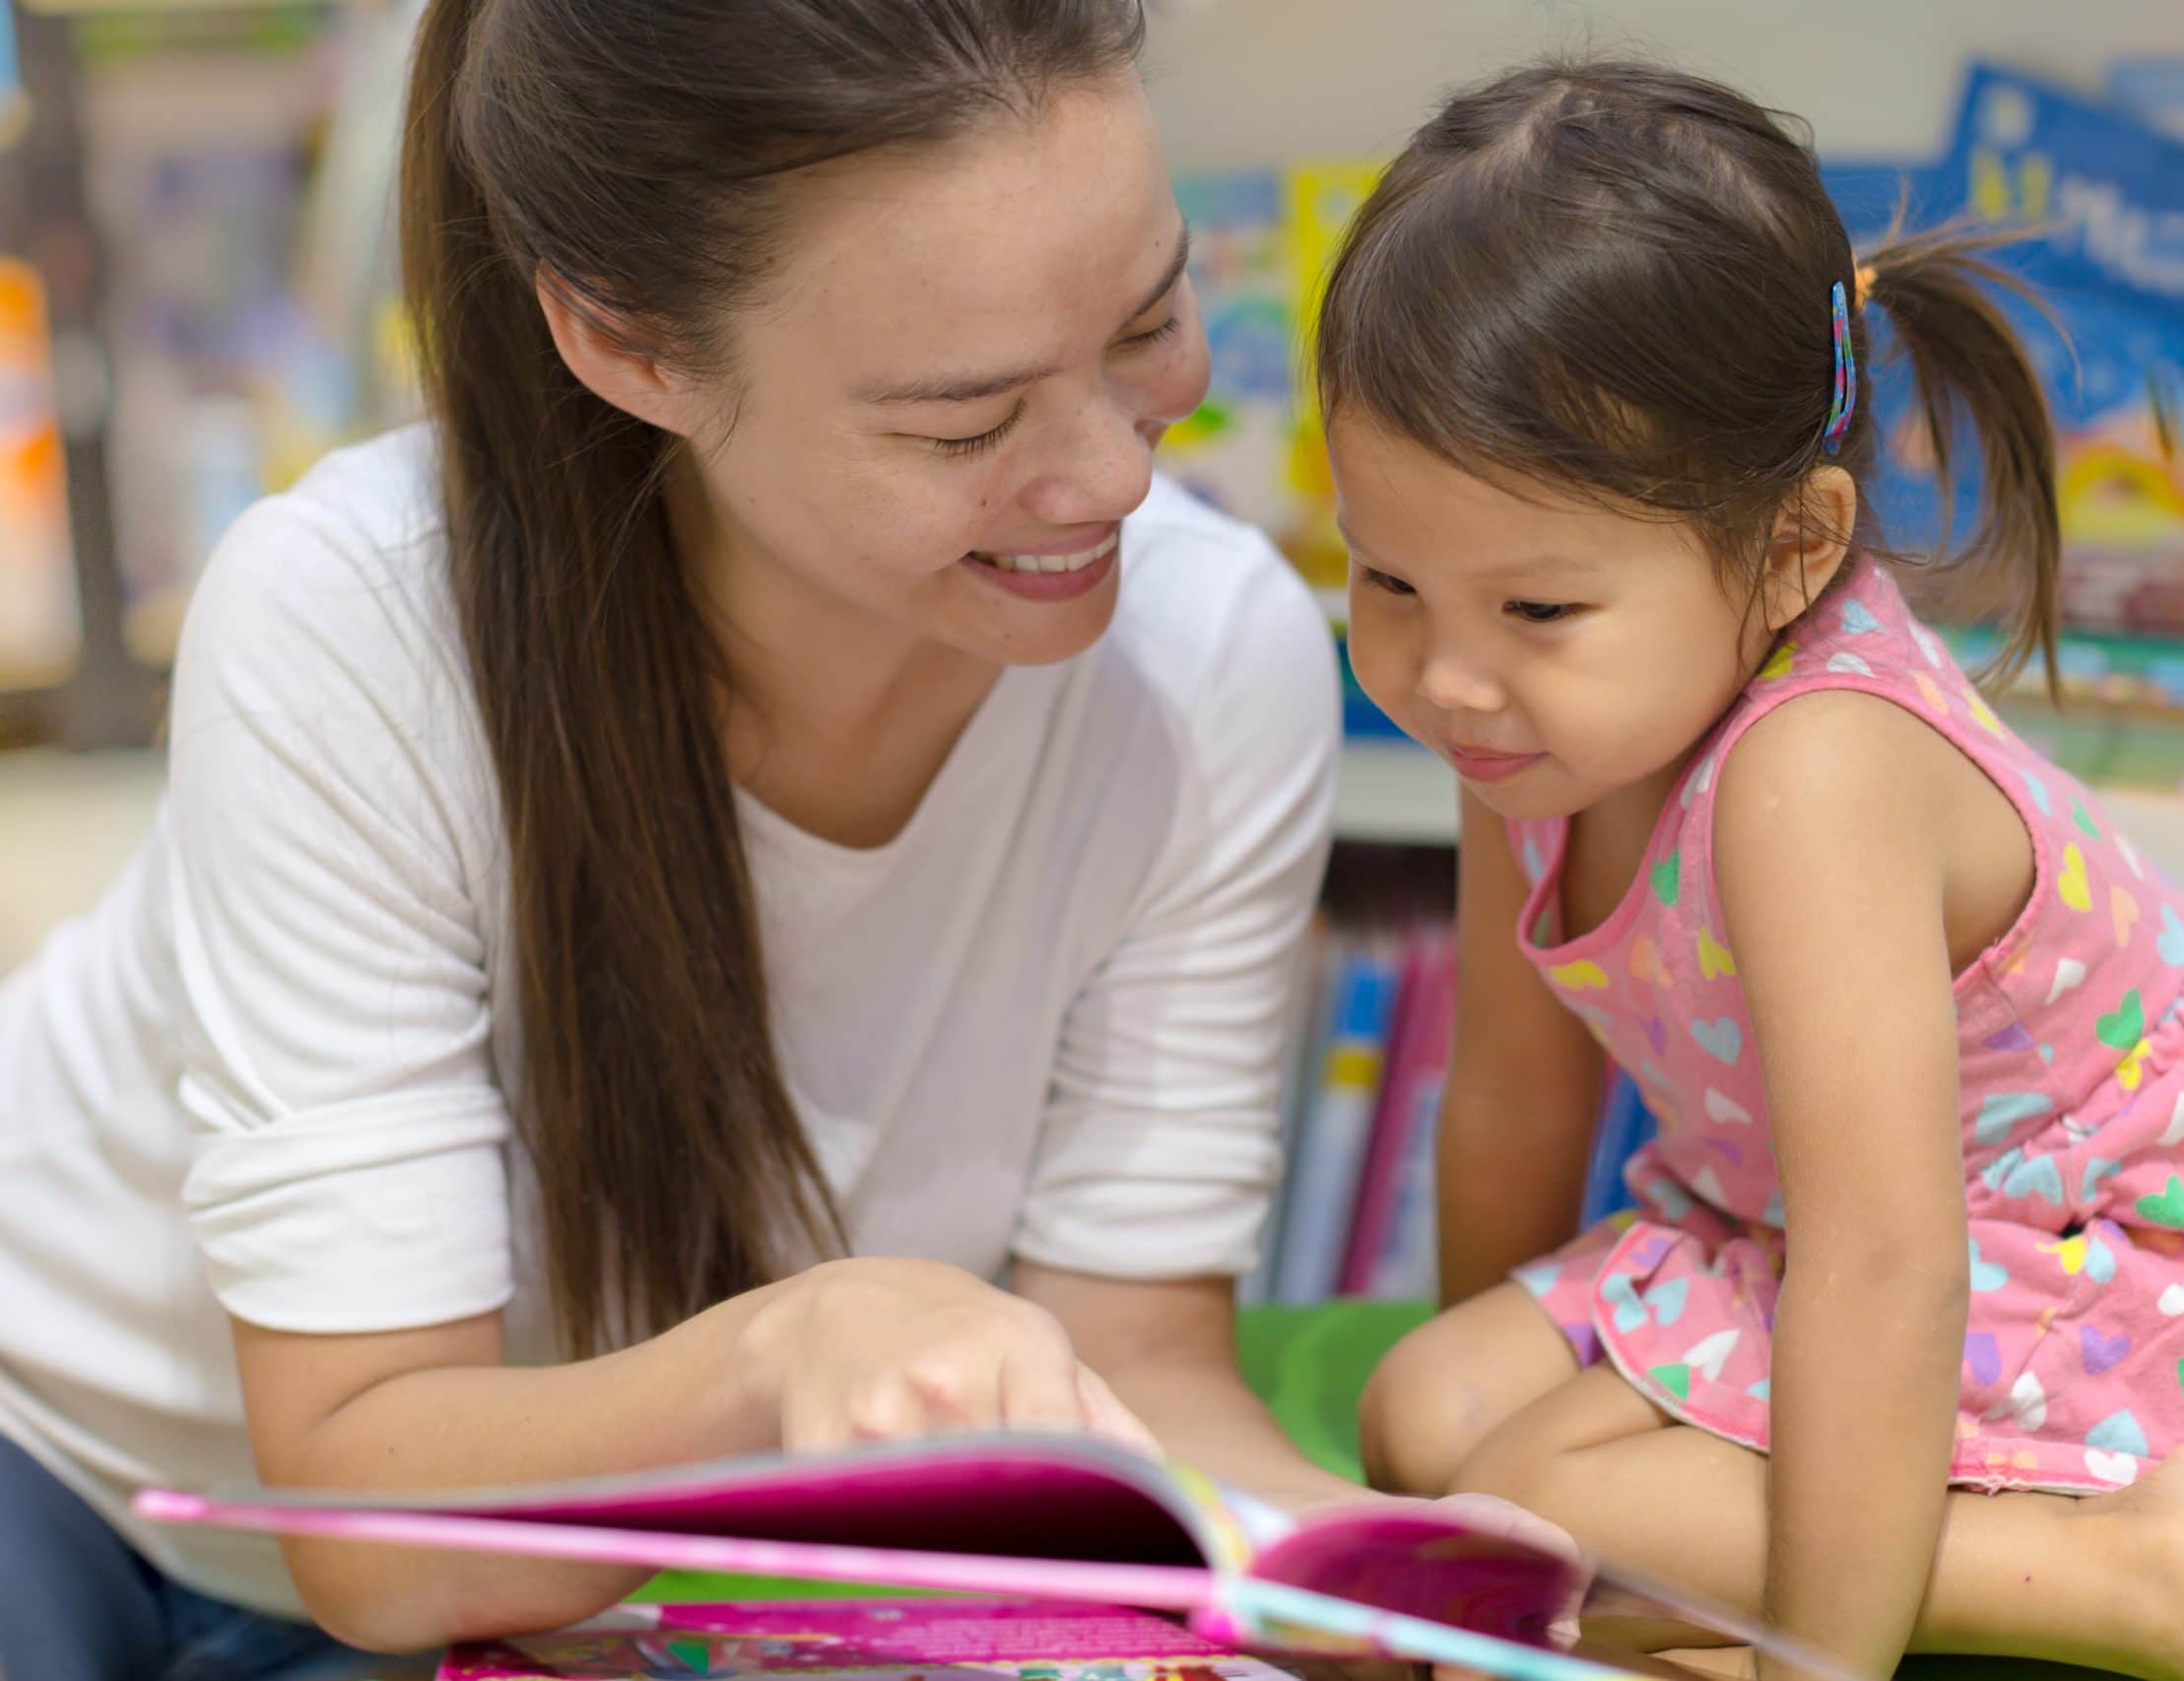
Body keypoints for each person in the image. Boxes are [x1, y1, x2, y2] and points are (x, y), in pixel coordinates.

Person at [0, 2, 1385, 1673]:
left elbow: (1135, 1363)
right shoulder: (350, 626)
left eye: (1152, 320)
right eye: (965, 420)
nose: (1112, 475)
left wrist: (1364, 1577)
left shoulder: (1212, 655)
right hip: (74, 1448)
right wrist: (785, 1351)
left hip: (583, 1583)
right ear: (628, 343)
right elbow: (366, 1508)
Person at [1323, 58, 2184, 1681]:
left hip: (2112, 1260)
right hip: (1808, 1233)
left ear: (1798, 549)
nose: (1447, 673)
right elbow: (1515, 1108)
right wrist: (1485, 1527)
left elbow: (1895, 1257)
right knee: (1434, 1420)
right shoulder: (1524, 730)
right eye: (1385, 578)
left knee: (1525, 1489)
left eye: (1536, 609)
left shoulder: (1813, 769)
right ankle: (1643, 1545)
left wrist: (1813, 1655)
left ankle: (2142, 1571)